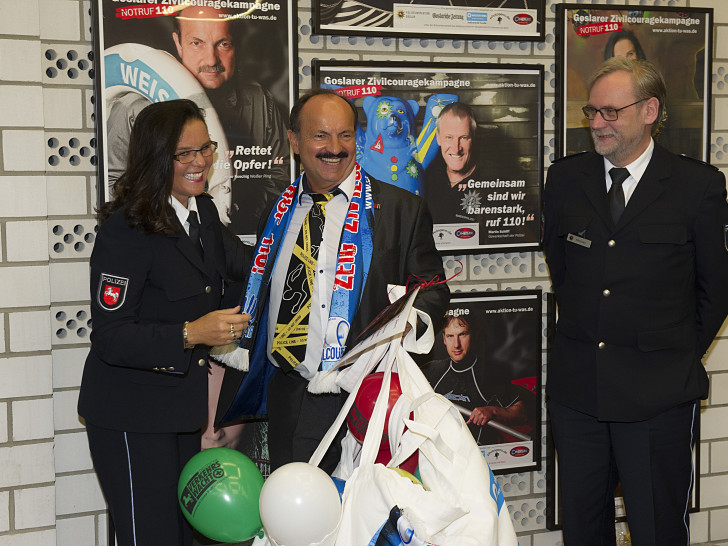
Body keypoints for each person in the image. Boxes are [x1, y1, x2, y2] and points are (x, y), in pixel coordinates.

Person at [543, 57, 728, 545]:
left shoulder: (698, 187)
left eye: (610, 112)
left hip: (657, 396)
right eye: (592, 111)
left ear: (650, 110)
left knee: (657, 529)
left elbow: (715, 289)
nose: (597, 123)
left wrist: (670, 353)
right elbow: (562, 271)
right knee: (583, 530)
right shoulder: (565, 180)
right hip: (579, 392)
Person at [216, 89, 450, 474]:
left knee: (354, 523)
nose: (334, 148)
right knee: (296, 518)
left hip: (361, 396)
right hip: (287, 391)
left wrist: (406, 321)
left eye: (344, 135)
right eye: (320, 135)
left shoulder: (401, 210)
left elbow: (434, 290)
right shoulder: (277, 212)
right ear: (294, 141)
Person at [78, 99, 251, 546]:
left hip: (181, 411)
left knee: (182, 536)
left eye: (205, 149)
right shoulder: (127, 228)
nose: (200, 162)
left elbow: (250, 271)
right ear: (157, 159)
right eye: (184, 154)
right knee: (149, 537)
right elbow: (112, 337)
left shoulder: (204, 214)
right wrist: (191, 333)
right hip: (130, 415)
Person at [106, 5, 290, 235]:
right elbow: (116, 186)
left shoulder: (260, 100)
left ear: (235, 46)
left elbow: (280, 177)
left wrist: (233, 213)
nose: (211, 59)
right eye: (197, 43)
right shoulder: (134, 108)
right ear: (178, 43)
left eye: (223, 43)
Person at [421, 315, 532, 445]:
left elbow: (520, 414)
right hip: (442, 450)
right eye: (450, 336)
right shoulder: (432, 370)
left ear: (474, 336)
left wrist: (492, 411)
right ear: (444, 339)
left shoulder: (489, 373)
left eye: (462, 335)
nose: (456, 344)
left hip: (479, 454)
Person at [422, 102, 486, 225]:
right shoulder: (428, 176)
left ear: (474, 137)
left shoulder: (490, 183)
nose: (456, 149)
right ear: (438, 138)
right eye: (449, 137)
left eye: (463, 137)